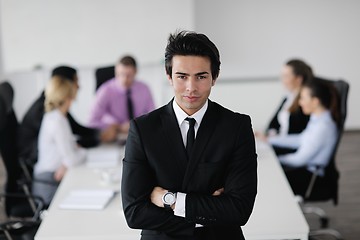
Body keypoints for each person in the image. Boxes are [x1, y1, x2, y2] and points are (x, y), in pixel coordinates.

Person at [121, 31, 257, 240]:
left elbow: (239, 209)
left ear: (214, 78)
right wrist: (206, 211)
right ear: (169, 76)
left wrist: (170, 199)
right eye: (182, 76)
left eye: (201, 77)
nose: (191, 88)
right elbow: (135, 212)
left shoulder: (237, 126)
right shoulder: (143, 129)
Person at [18, 66, 117, 170]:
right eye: (76, 81)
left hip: (54, 164)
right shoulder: (50, 114)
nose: (78, 86)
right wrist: (96, 139)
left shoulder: (56, 110)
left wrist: (99, 134)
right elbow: (65, 151)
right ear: (64, 85)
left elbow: (75, 130)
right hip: (41, 163)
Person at [267, 79, 339, 196]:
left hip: (309, 177)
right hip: (303, 169)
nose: (300, 103)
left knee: (268, 176)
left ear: (315, 101)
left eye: (303, 98)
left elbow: (300, 159)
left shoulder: (323, 127)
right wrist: (269, 140)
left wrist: (275, 160)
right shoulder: (318, 119)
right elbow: (301, 139)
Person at [32, 76, 87, 205]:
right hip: (48, 183)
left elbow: (69, 156)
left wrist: (67, 162)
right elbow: (71, 159)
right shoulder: (57, 121)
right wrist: (82, 152)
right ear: (68, 97)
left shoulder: (56, 117)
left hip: (52, 177)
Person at [88, 55, 155, 135]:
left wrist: (138, 125)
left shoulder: (144, 89)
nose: (124, 79)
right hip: (115, 135)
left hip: (139, 133)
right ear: (116, 71)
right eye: (121, 74)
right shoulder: (105, 91)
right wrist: (117, 127)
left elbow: (153, 116)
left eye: (128, 75)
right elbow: (91, 121)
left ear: (135, 72)